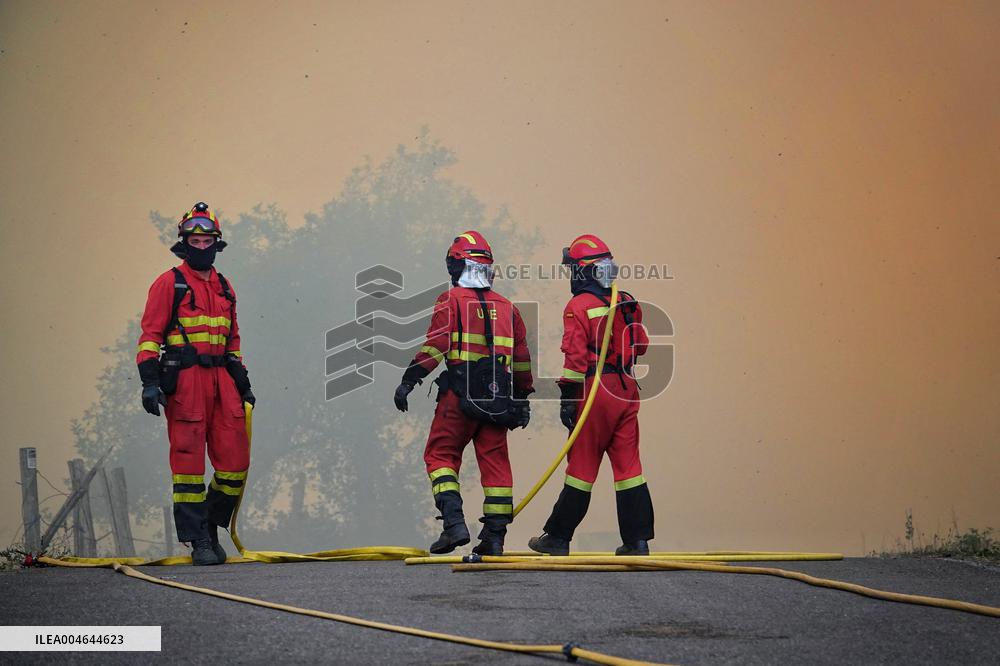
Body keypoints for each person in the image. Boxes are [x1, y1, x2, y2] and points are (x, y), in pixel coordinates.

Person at [394, 231, 533, 556]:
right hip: (497, 401)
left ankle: (454, 525)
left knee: (440, 457)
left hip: (459, 398)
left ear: (458, 266)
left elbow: (437, 344)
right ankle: (494, 538)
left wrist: (410, 378)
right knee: (497, 466)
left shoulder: (451, 300)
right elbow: (523, 358)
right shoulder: (508, 307)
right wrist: (522, 399)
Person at [136, 202, 256, 566]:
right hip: (186, 383)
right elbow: (149, 337)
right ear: (184, 244)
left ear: (217, 245)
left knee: (235, 463)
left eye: (208, 241)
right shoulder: (168, 283)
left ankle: (210, 522)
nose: (202, 247)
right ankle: (198, 540)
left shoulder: (224, 286)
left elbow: (233, 339)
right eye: (195, 240)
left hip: (222, 380)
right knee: (188, 466)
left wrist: (243, 381)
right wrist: (150, 382)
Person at [529, 234, 654, 556]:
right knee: (629, 469)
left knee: (581, 469)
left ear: (583, 272)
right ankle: (637, 541)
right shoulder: (627, 302)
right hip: (626, 390)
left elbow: (574, 358)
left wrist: (568, 400)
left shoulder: (578, 306)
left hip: (594, 392)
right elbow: (641, 346)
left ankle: (557, 537)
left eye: (573, 268)